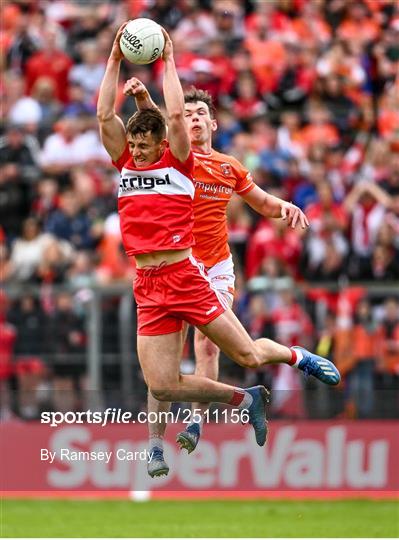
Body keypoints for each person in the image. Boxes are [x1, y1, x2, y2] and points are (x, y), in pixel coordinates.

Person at [97, 24, 341, 477]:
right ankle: (235, 402)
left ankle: (295, 357)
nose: (138, 146)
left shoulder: (187, 160)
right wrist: (115, 59)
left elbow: (169, 121)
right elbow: (107, 119)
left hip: (192, 272)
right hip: (148, 283)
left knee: (239, 353)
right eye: (134, 141)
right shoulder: (127, 160)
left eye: (145, 140)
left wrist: (167, 58)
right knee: (161, 383)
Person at [125, 81, 316, 476]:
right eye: (188, 114)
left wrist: (287, 207)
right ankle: (155, 445)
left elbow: (262, 202)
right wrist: (145, 100)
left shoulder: (229, 166)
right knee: (164, 366)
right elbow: (161, 121)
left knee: (211, 348)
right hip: (176, 265)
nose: (192, 119)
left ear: (212, 123)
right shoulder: (170, 156)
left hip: (213, 267)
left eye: (200, 114)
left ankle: (196, 420)